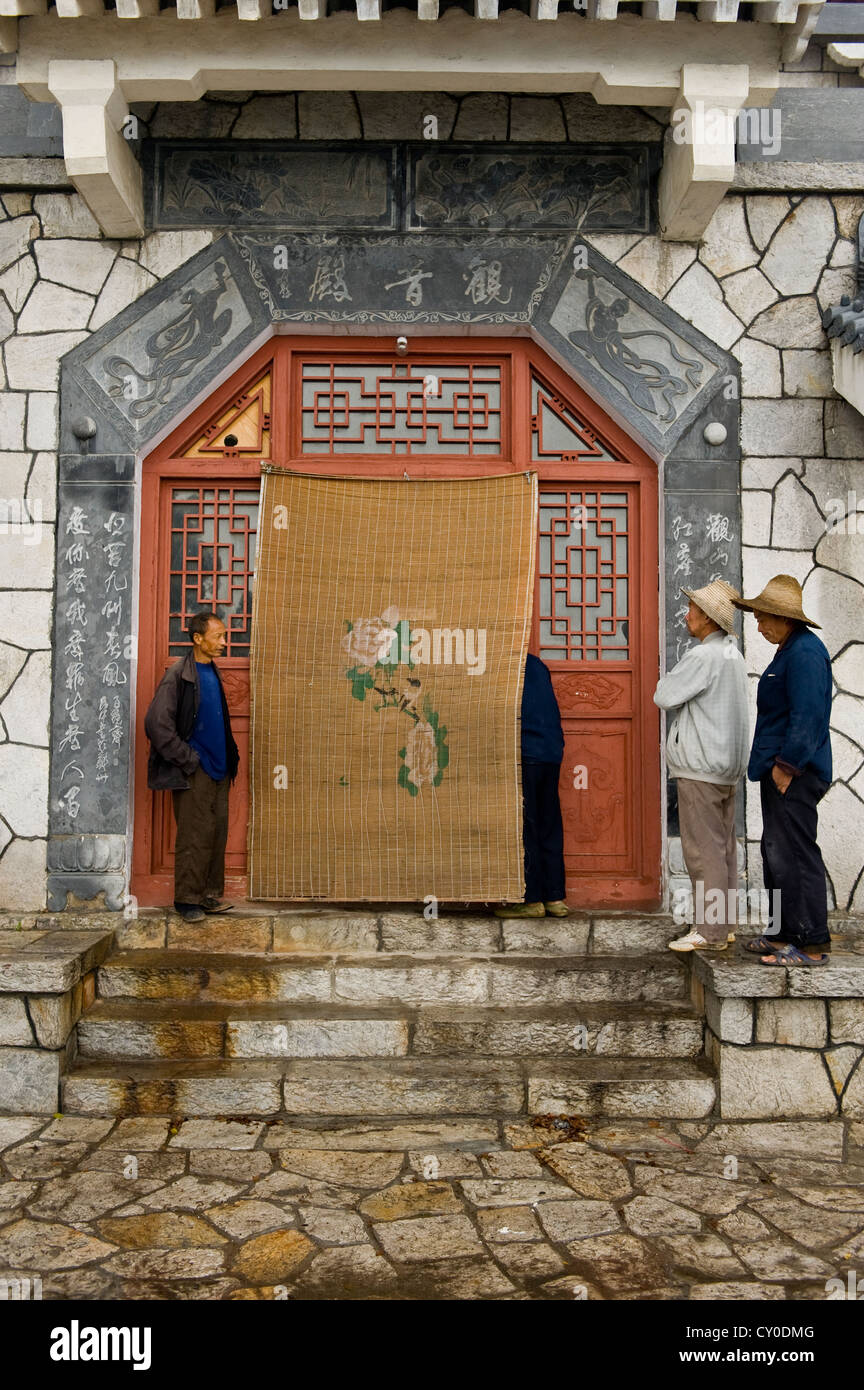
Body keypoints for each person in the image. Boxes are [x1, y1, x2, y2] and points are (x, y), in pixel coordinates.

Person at [733, 575, 833, 967]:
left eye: (762, 618)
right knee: (777, 852)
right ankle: (781, 934)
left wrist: (788, 766)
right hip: (779, 770)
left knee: (795, 852)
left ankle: (809, 944)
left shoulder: (806, 653)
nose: (758, 626)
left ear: (783, 617)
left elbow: (808, 716)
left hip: (795, 772)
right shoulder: (790, 650)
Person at [654, 580, 749, 952]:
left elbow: (664, 694)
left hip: (701, 767)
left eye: (693, 609)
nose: (687, 614)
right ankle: (722, 926)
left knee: (702, 850)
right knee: (724, 849)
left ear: (709, 619)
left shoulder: (703, 657)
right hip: (727, 767)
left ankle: (707, 931)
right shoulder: (733, 655)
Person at [144, 610, 239, 923]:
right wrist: (188, 759)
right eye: (219, 636)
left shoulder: (212, 671)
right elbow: (157, 724)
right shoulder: (178, 674)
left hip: (219, 769)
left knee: (216, 834)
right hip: (195, 769)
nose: (224, 642)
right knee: (194, 835)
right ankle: (187, 901)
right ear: (198, 639)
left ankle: (208, 896)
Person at [496, 652, 569, 919]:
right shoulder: (537, 664)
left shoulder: (503, 664)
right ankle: (554, 898)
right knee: (549, 824)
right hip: (550, 753)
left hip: (525, 753)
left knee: (526, 827)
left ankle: (531, 899)